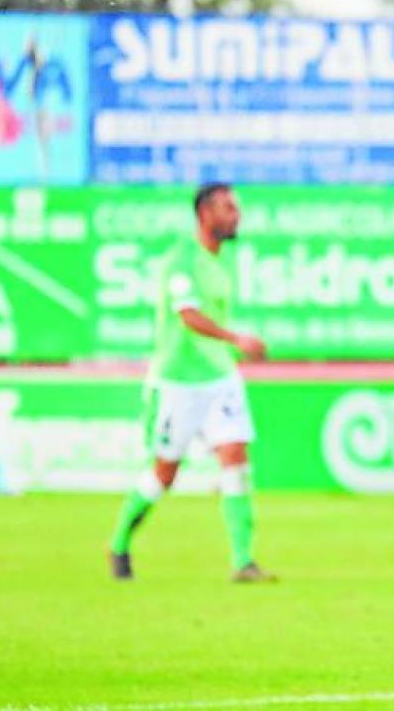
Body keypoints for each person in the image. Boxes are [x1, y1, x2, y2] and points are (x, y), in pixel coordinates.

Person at [108, 183, 274, 583]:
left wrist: (229, 349)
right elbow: (188, 316)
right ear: (205, 214)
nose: (236, 214)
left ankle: (242, 561)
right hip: (177, 384)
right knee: (164, 474)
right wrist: (237, 340)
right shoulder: (181, 261)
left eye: (236, 207)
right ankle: (118, 543)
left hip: (220, 378)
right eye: (228, 208)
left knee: (235, 457)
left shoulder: (219, 261)